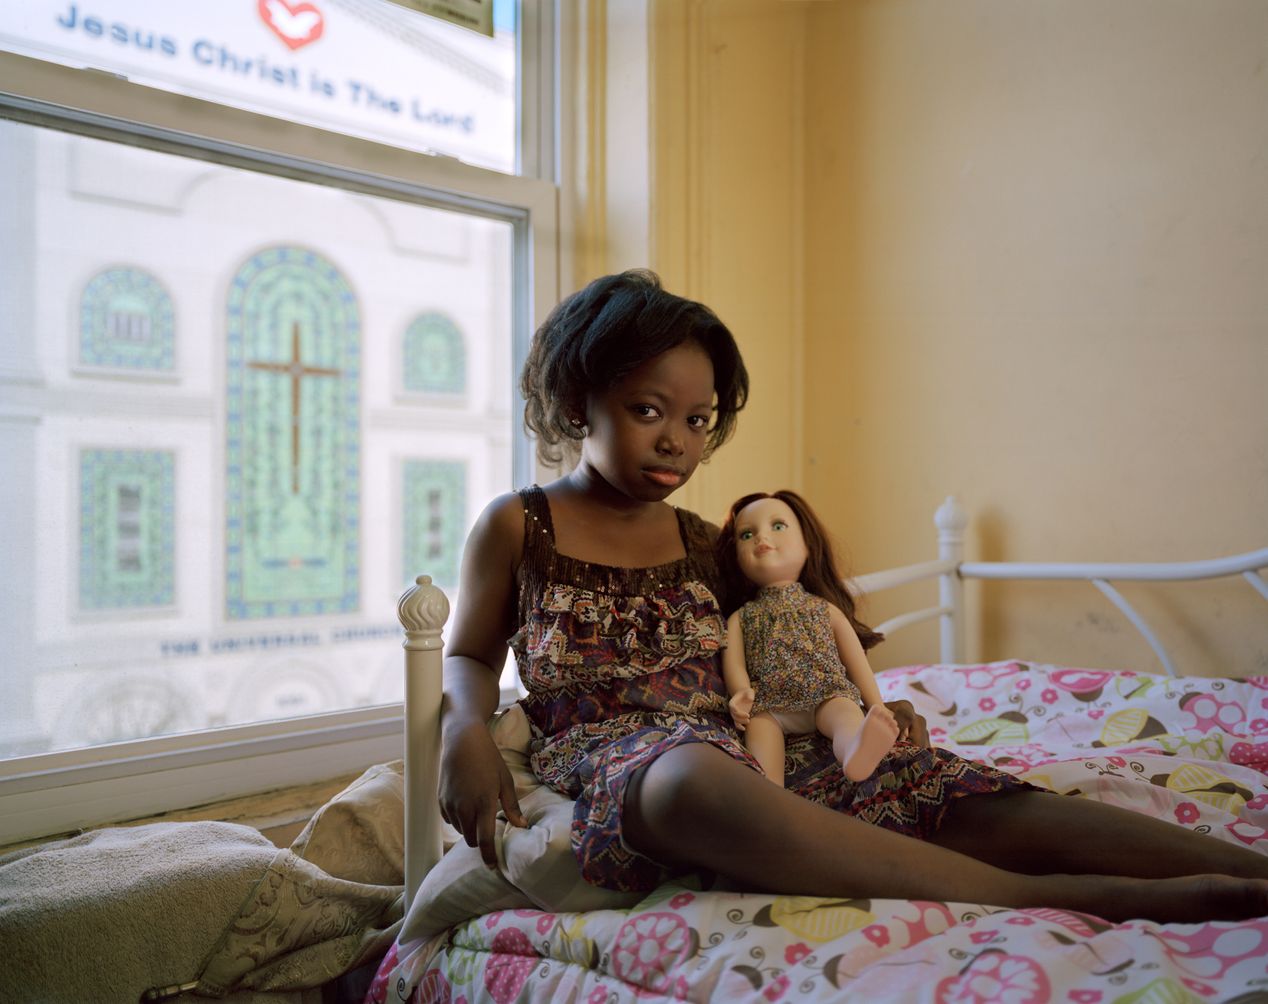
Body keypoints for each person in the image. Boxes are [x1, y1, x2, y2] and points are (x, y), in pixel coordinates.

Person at [438, 268, 1268, 924]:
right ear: (580, 397)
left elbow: (778, 640)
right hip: (627, 759)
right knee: (688, 779)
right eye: (648, 408)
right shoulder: (520, 525)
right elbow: (471, 651)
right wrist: (467, 730)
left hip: (757, 746)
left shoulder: (701, 540)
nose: (676, 441)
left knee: (941, 784)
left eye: (699, 420)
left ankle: (1247, 871)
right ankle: (1057, 899)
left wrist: (859, 705)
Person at [718, 490, 899, 784]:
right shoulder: (741, 617)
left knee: (846, 713)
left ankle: (856, 751)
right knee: (760, 732)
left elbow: (854, 660)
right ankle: (769, 791)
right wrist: (740, 694)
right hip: (769, 702)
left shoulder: (823, 608)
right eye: (747, 534)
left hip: (825, 692)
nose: (762, 538)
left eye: (778, 526)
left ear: (807, 545)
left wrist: (877, 705)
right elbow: (735, 663)